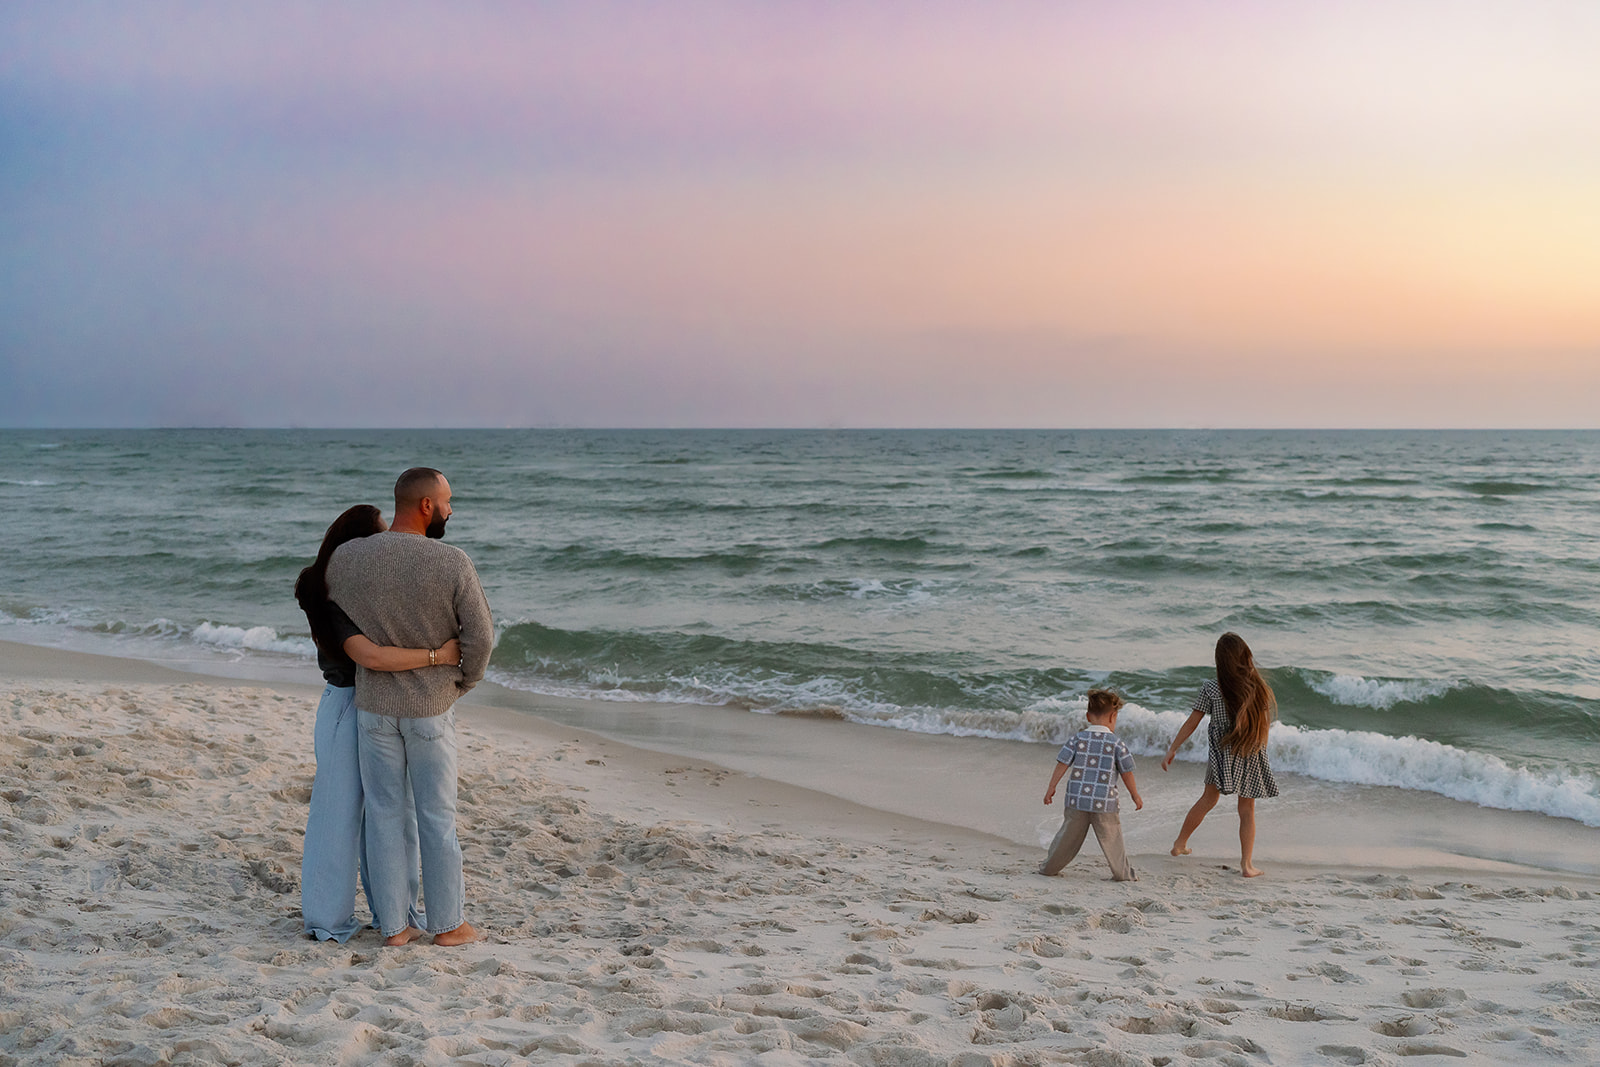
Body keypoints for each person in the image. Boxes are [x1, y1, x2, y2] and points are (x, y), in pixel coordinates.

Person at [327, 468, 494, 947]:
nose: (450, 509)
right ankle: (448, 926)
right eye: (446, 501)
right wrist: (463, 681)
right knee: (436, 816)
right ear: (426, 506)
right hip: (429, 706)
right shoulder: (452, 561)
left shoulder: (346, 558)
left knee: (383, 814)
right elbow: (480, 637)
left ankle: (395, 928)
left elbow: (340, 615)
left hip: (373, 705)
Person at [294, 503, 461, 942]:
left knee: (388, 814)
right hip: (348, 702)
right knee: (339, 815)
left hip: (375, 703)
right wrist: (437, 657)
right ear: (357, 542)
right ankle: (326, 918)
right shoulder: (331, 589)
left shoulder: (350, 584)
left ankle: (396, 914)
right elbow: (369, 656)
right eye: (377, 537)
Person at [1160, 632, 1279, 878]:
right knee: (1247, 809)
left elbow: (1192, 722)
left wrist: (1173, 747)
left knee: (1208, 799)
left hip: (1221, 754)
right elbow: (1264, 727)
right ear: (1246, 656)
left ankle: (1180, 843)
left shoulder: (1211, 688)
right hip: (1250, 751)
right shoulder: (1259, 688)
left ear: (1220, 661)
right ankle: (1247, 865)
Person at [1039, 688, 1142, 881]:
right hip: (1105, 802)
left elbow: (1062, 763)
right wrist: (1135, 795)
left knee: (1066, 839)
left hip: (1077, 799)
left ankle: (1049, 868)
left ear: (1088, 716)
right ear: (1113, 716)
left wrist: (1051, 787)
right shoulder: (1116, 743)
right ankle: (1123, 874)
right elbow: (1127, 772)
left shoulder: (1077, 739)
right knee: (1113, 841)